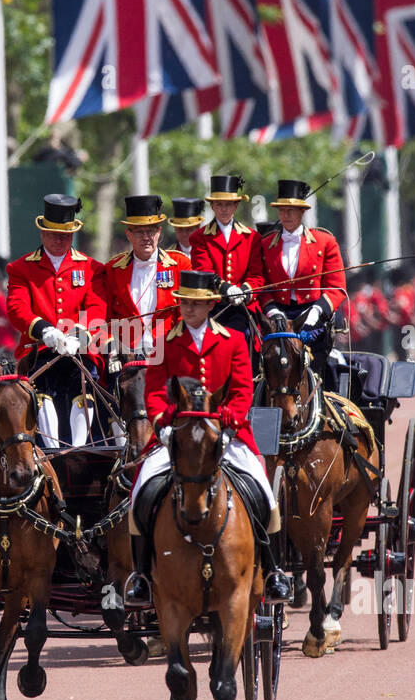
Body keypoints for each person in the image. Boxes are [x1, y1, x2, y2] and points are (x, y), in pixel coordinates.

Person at [123, 270, 291, 606]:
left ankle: (273, 571)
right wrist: (162, 423)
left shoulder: (232, 339)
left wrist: (232, 418)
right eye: (184, 302)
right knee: (141, 489)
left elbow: (243, 389)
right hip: (177, 435)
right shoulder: (165, 341)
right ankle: (141, 576)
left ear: (210, 305)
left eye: (195, 304)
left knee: (263, 491)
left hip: (226, 433)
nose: (188, 309)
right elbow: (155, 390)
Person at [5, 194, 106, 448]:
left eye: (65, 235)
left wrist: (79, 335)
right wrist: (44, 330)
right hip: (39, 350)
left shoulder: (92, 268)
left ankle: (79, 448)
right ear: (42, 233)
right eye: (53, 234)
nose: (60, 240)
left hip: (78, 350)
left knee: (84, 386)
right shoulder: (21, 268)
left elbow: (97, 307)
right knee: (40, 390)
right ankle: (52, 450)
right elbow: (16, 307)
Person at [253, 180, 347, 382]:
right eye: (282, 210)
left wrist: (316, 313)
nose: (286, 215)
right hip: (278, 317)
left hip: (313, 316)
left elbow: (336, 288)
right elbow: (261, 284)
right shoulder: (266, 244)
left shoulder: (324, 242)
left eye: (291, 210)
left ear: (301, 212)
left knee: (312, 369)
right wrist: (273, 311)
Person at [97, 194, 187, 361]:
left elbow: (185, 313)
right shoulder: (113, 269)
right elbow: (106, 317)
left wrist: (175, 345)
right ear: (128, 235)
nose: (146, 237)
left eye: (151, 231)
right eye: (139, 232)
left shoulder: (180, 264)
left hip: (169, 352)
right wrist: (113, 348)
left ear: (159, 233)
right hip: (126, 356)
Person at [188, 174, 264, 343]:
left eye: (228, 204)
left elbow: (257, 276)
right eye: (219, 204)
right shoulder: (199, 238)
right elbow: (203, 271)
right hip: (212, 308)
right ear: (212, 206)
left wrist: (245, 291)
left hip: (242, 309)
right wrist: (226, 289)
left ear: (236, 205)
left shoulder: (252, 238)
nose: (224, 209)